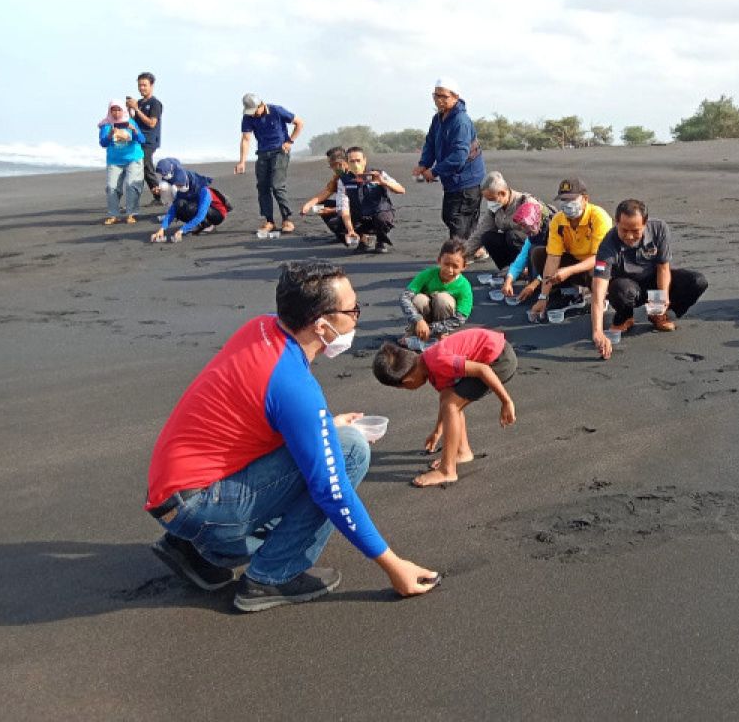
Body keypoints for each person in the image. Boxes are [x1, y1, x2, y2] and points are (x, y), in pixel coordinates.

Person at [145, 260, 437, 612]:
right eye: (353, 310)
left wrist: (325, 425)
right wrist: (393, 565)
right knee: (351, 451)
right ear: (323, 325)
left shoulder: (260, 328)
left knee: (331, 439)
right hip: (200, 504)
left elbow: (260, 412)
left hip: (172, 494)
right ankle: (272, 576)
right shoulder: (294, 386)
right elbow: (331, 492)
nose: (357, 317)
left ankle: (199, 551)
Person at [373, 328, 517, 488]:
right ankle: (462, 452)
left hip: (499, 360)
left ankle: (447, 471)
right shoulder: (427, 363)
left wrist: (506, 402)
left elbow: (483, 370)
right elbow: (446, 397)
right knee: (449, 400)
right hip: (492, 356)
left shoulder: (438, 361)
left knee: (452, 405)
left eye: (403, 388)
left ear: (407, 380)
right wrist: (437, 431)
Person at [591, 199, 709, 358]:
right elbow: (598, 289)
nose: (630, 236)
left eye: (635, 231)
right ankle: (625, 317)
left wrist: (663, 297)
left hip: (654, 280)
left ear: (645, 224)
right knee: (619, 289)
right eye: (624, 230)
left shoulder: (659, 228)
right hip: (628, 286)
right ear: (616, 222)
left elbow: (663, 267)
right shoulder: (608, 244)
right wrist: (597, 332)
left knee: (697, 281)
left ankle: (658, 314)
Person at [527, 177, 614, 321]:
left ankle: (601, 297)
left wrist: (569, 270)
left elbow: (599, 257)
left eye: (571, 200)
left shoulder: (598, 217)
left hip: (599, 264)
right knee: (539, 254)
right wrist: (543, 296)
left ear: (585, 199)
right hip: (576, 262)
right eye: (563, 200)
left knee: (598, 267)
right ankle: (568, 292)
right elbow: (553, 258)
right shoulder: (558, 220)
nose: (567, 205)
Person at [412, 78, 486, 240]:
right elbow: (430, 142)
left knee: (456, 217)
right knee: (457, 217)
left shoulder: (461, 121)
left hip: (467, 179)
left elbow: (459, 156)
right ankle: (474, 249)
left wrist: (435, 171)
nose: (439, 100)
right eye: (436, 95)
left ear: (455, 97)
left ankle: (457, 257)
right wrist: (423, 164)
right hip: (453, 178)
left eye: (444, 96)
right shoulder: (438, 119)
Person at [234, 93, 305, 235]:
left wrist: (289, 141)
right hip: (262, 153)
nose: (252, 114)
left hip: (280, 151)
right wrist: (242, 161)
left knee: (277, 185)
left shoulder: (277, 111)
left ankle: (287, 219)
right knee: (262, 187)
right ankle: (269, 221)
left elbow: (299, 123)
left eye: (254, 111)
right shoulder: (248, 118)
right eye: (250, 112)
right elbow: (246, 139)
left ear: (261, 105)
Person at [462, 171, 549, 269]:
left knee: (512, 235)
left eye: (491, 199)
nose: (489, 203)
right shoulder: (495, 209)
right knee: (488, 237)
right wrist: (461, 255)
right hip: (515, 246)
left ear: (502, 193)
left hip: (536, 247)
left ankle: (526, 269)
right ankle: (506, 269)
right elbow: (480, 232)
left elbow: (538, 236)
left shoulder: (526, 203)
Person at [399, 239, 474, 346]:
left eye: (455, 266)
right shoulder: (427, 274)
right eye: (446, 264)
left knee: (443, 299)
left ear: (464, 266)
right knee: (419, 299)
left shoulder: (464, 286)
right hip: (421, 320)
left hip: (443, 324)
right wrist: (418, 320)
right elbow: (405, 297)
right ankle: (413, 332)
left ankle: (440, 335)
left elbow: (460, 318)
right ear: (439, 260)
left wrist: (431, 329)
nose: (449, 270)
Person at [334, 146, 405, 253]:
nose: (355, 164)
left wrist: (384, 183)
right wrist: (350, 230)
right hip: (359, 214)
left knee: (382, 220)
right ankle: (365, 240)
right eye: (352, 161)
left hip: (379, 212)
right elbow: (343, 206)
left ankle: (381, 241)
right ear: (347, 163)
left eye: (358, 160)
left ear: (364, 160)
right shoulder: (344, 180)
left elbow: (401, 190)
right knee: (340, 220)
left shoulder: (378, 174)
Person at [149, 158, 231, 242]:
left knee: (191, 208)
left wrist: (182, 230)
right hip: (201, 208)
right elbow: (173, 209)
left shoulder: (203, 191)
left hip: (218, 213)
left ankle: (207, 225)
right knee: (179, 204)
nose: (179, 188)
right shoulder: (181, 191)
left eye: (180, 186)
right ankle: (198, 224)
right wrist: (162, 228)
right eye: (177, 186)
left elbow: (201, 215)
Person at [98, 99, 146, 225]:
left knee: (131, 184)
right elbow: (103, 143)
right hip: (114, 160)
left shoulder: (130, 121)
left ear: (123, 110)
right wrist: (110, 134)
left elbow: (142, 139)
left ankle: (131, 213)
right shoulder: (106, 124)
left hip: (133, 158)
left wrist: (134, 130)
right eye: (113, 110)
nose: (116, 113)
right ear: (110, 111)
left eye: (119, 109)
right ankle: (114, 214)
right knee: (111, 187)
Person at [500, 202, 551, 302]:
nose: (523, 230)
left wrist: (535, 283)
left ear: (536, 220)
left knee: (536, 251)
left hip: (558, 269)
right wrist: (509, 280)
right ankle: (538, 283)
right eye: (521, 226)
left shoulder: (552, 232)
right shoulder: (533, 235)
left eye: (525, 225)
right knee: (531, 250)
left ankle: (548, 288)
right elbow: (521, 258)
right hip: (544, 273)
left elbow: (555, 264)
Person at [300, 147, 352, 242]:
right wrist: (308, 205)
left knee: (332, 218)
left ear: (339, 164)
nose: (331, 168)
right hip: (345, 207)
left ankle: (352, 234)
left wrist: (331, 210)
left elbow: (357, 204)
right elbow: (327, 191)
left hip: (358, 211)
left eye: (331, 165)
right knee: (320, 205)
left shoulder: (354, 175)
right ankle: (341, 234)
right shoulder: (340, 175)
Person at [127, 72, 163, 205]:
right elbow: (135, 121)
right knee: (144, 169)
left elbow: (152, 123)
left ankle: (160, 197)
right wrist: (130, 109)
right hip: (138, 139)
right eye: (139, 85)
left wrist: (137, 109)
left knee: (145, 168)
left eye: (144, 85)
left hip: (149, 140)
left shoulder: (155, 103)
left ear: (151, 85)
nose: (141, 88)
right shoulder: (140, 103)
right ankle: (159, 197)